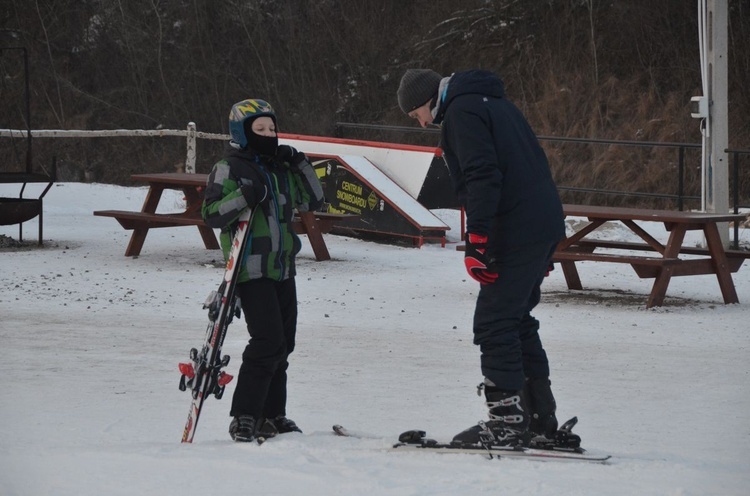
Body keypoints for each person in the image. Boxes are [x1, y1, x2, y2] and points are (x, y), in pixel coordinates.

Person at [397, 69, 578, 449]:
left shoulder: (462, 112)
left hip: (516, 226)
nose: (424, 123)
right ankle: (538, 418)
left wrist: (477, 239)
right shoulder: (496, 104)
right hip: (539, 222)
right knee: (516, 319)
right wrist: (542, 240)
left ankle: (507, 422)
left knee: (495, 322)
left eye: (417, 114)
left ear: (428, 100)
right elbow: (535, 163)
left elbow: (481, 174)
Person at [202, 98, 324, 442]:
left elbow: (313, 201)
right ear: (242, 132)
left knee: (284, 344)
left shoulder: (282, 168)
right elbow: (211, 214)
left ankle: (273, 414)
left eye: (272, 128)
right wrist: (243, 196)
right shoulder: (228, 168)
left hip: (283, 267)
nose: (269, 135)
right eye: (260, 129)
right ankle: (245, 415)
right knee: (267, 341)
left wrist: (299, 163)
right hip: (250, 270)